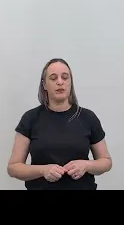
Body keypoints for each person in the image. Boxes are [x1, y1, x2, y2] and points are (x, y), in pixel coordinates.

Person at [7, 57, 112, 190]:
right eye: (53, 78)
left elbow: (106, 161)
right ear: (44, 85)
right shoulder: (30, 118)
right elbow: (13, 167)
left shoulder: (88, 117)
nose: (60, 82)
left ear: (70, 82)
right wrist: (43, 170)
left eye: (65, 77)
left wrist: (86, 165)